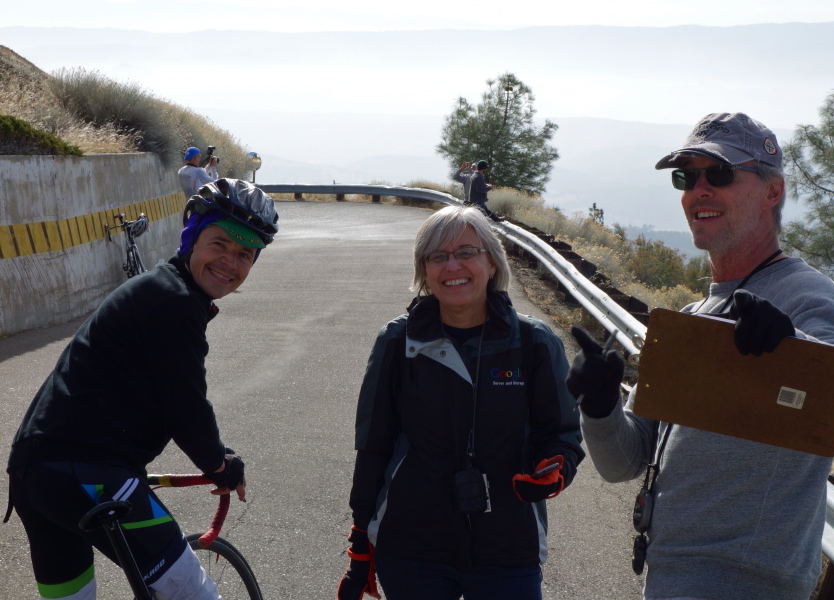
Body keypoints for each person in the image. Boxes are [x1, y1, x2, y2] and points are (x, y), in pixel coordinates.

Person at [566, 112, 834, 600]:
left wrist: (791, 345)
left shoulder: (805, 293)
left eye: (720, 174)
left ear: (773, 192)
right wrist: (598, 407)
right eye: (687, 177)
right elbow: (624, 461)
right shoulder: (694, 314)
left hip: (748, 583)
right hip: (671, 575)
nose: (698, 190)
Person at [6, 178, 279, 600]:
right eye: (219, 243)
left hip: (35, 472)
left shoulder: (160, 290)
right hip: (90, 472)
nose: (230, 261)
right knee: (195, 595)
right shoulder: (174, 301)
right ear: (191, 237)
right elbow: (185, 406)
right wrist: (221, 465)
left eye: (244, 254)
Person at [337, 205, 584, 600]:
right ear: (425, 271)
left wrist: (555, 469)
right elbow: (373, 447)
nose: (453, 266)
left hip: (508, 550)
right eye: (438, 256)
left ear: (491, 261)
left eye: (466, 252)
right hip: (412, 549)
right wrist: (360, 547)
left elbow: (561, 436)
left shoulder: (534, 343)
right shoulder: (397, 343)